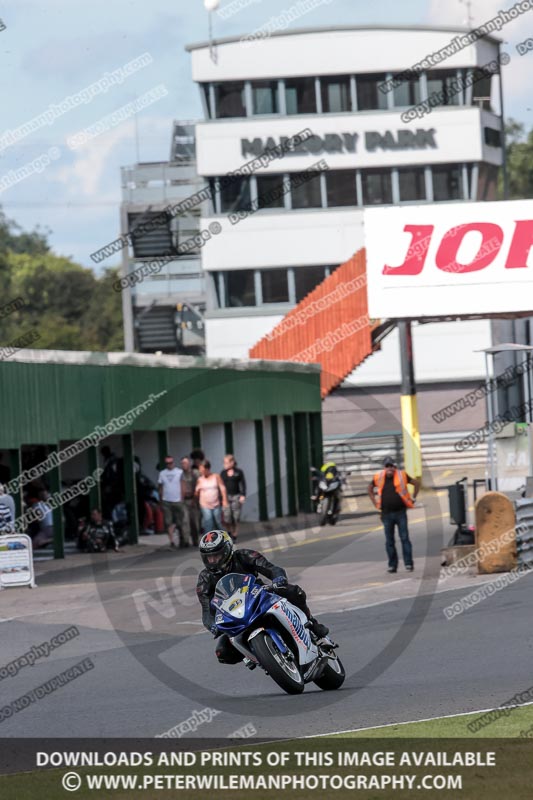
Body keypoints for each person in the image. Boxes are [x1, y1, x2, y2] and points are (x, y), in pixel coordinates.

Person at [196, 530, 329, 665]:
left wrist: (278, 579)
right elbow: (206, 611)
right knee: (223, 653)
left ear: (227, 550)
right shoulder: (204, 579)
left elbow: (271, 568)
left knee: (294, 592)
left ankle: (312, 625)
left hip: (259, 596)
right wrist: (213, 626)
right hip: (235, 614)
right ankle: (257, 657)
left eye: (216, 556)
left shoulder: (244, 556)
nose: (212, 561)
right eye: (208, 557)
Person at [368, 456, 420, 573]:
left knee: (404, 538)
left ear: (394, 467)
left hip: (400, 512)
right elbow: (370, 488)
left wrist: (413, 498)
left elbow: (416, 483)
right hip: (386, 514)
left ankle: (408, 564)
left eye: (391, 466)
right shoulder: (379, 477)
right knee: (389, 541)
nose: (389, 468)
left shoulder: (402, 475)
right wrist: (375, 502)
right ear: (384, 468)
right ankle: (392, 565)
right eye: (387, 466)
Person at [158, 455, 187, 548]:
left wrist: (182, 498)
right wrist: (161, 499)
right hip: (166, 500)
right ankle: (172, 542)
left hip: (177, 500)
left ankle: (182, 540)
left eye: (170, 463)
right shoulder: (162, 473)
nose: (169, 465)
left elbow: (183, 485)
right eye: (167, 463)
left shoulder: (179, 472)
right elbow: (161, 487)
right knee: (168, 522)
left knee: (180, 522)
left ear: (173, 463)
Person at [195, 460, 228, 534]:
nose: (200, 471)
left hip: (216, 504)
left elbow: (222, 488)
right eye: (199, 469)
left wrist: (224, 500)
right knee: (208, 522)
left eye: (202, 469)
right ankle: (207, 541)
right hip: (205, 505)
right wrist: (195, 498)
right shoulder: (200, 479)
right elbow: (196, 492)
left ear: (207, 469)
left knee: (218, 522)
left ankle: (224, 538)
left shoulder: (216, 477)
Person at [220, 454, 246, 542]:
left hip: (236, 496)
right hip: (226, 497)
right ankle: (230, 532)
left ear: (232, 462)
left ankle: (235, 534)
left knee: (236, 516)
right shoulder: (223, 473)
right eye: (224, 462)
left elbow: (243, 484)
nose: (225, 464)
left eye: (226, 462)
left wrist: (243, 495)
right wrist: (222, 498)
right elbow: (221, 486)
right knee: (227, 517)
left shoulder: (238, 472)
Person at [180, 456, 200, 546]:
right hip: (184, 500)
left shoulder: (194, 473)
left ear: (189, 464)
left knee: (194, 522)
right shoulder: (180, 474)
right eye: (182, 463)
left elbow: (199, 486)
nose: (184, 465)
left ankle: (195, 540)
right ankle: (186, 541)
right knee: (185, 521)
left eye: (185, 463)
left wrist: (196, 499)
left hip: (193, 499)